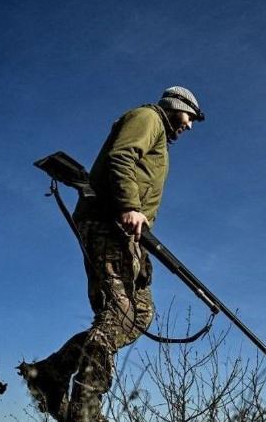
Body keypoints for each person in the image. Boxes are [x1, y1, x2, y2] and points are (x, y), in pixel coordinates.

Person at [18, 86, 205, 422]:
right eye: (190, 116)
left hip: (128, 234)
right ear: (177, 106)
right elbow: (121, 156)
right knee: (118, 312)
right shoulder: (148, 118)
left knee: (140, 314)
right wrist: (131, 206)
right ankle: (85, 407)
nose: (190, 125)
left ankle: (49, 373)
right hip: (108, 222)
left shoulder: (160, 136)